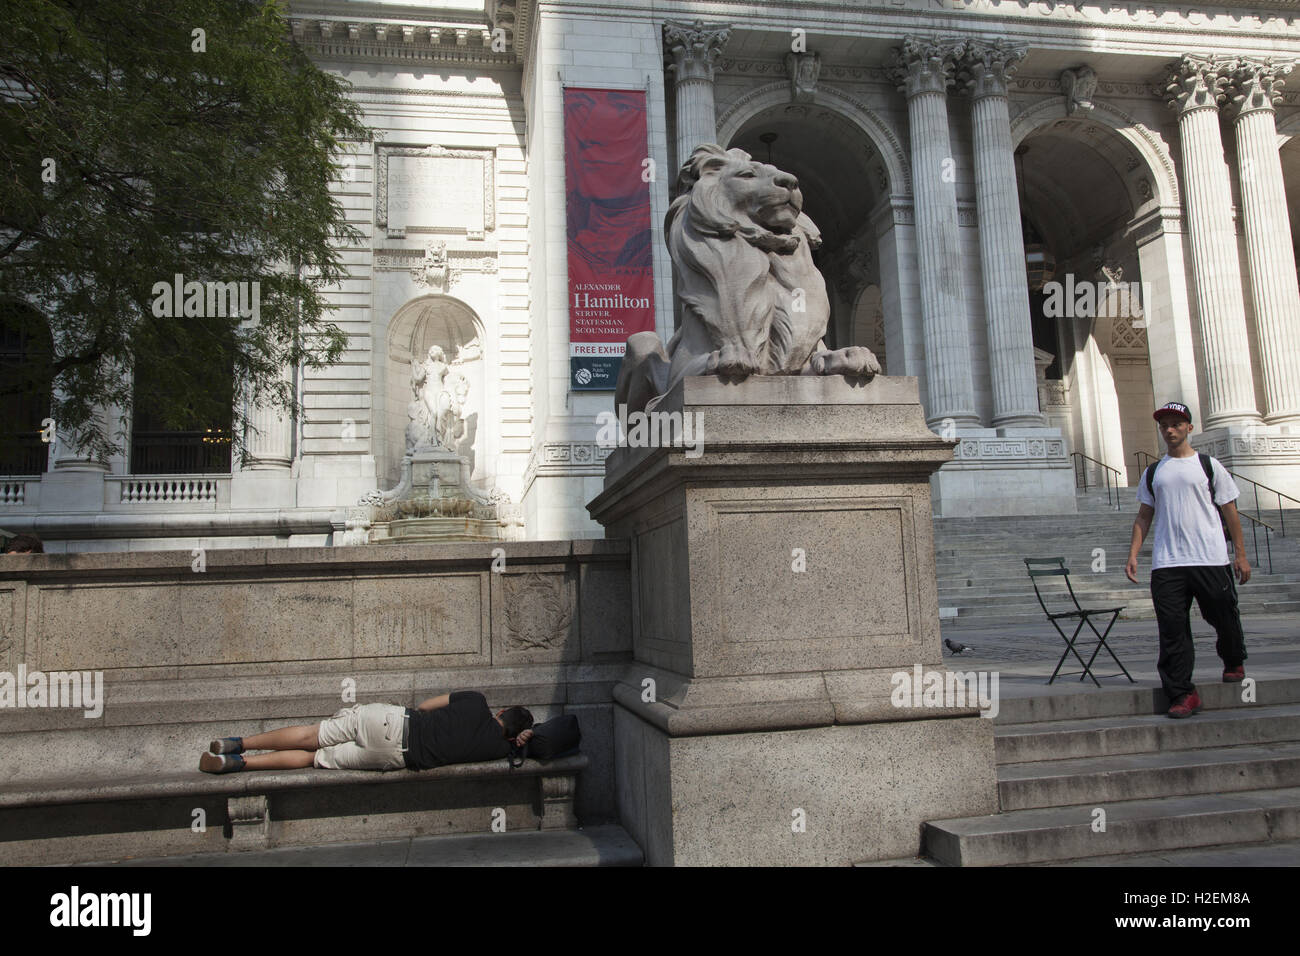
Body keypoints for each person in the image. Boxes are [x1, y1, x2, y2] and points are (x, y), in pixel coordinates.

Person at [1125, 402, 1250, 719]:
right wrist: (1133, 555)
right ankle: (1182, 693)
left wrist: (1241, 554)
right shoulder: (1154, 472)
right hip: (1168, 563)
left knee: (1223, 614)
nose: (1169, 430)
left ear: (1189, 428)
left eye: (1176, 424)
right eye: (1164, 425)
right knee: (1172, 630)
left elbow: (1230, 512)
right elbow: (1144, 516)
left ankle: (1233, 658)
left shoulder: (1209, 466)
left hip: (1210, 557)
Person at [199, 691, 533, 774]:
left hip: (391, 721)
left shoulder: (476, 702)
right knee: (312, 758)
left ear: (502, 712)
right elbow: (544, 741)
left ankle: (237, 743)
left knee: (310, 735)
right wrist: (521, 741)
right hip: (391, 756)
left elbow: (427, 704)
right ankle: (238, 765)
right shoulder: (500, 750)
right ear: (513, 735)